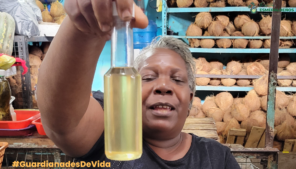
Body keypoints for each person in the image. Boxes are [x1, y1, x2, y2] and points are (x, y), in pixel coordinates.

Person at [37, 0, 240, 168]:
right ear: (129, 91)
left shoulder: (217, 159)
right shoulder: (108, 134)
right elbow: (63, 122)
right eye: (149, 77)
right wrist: (83, 29)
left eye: (177, 79)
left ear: (190, 98)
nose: (163, 86)